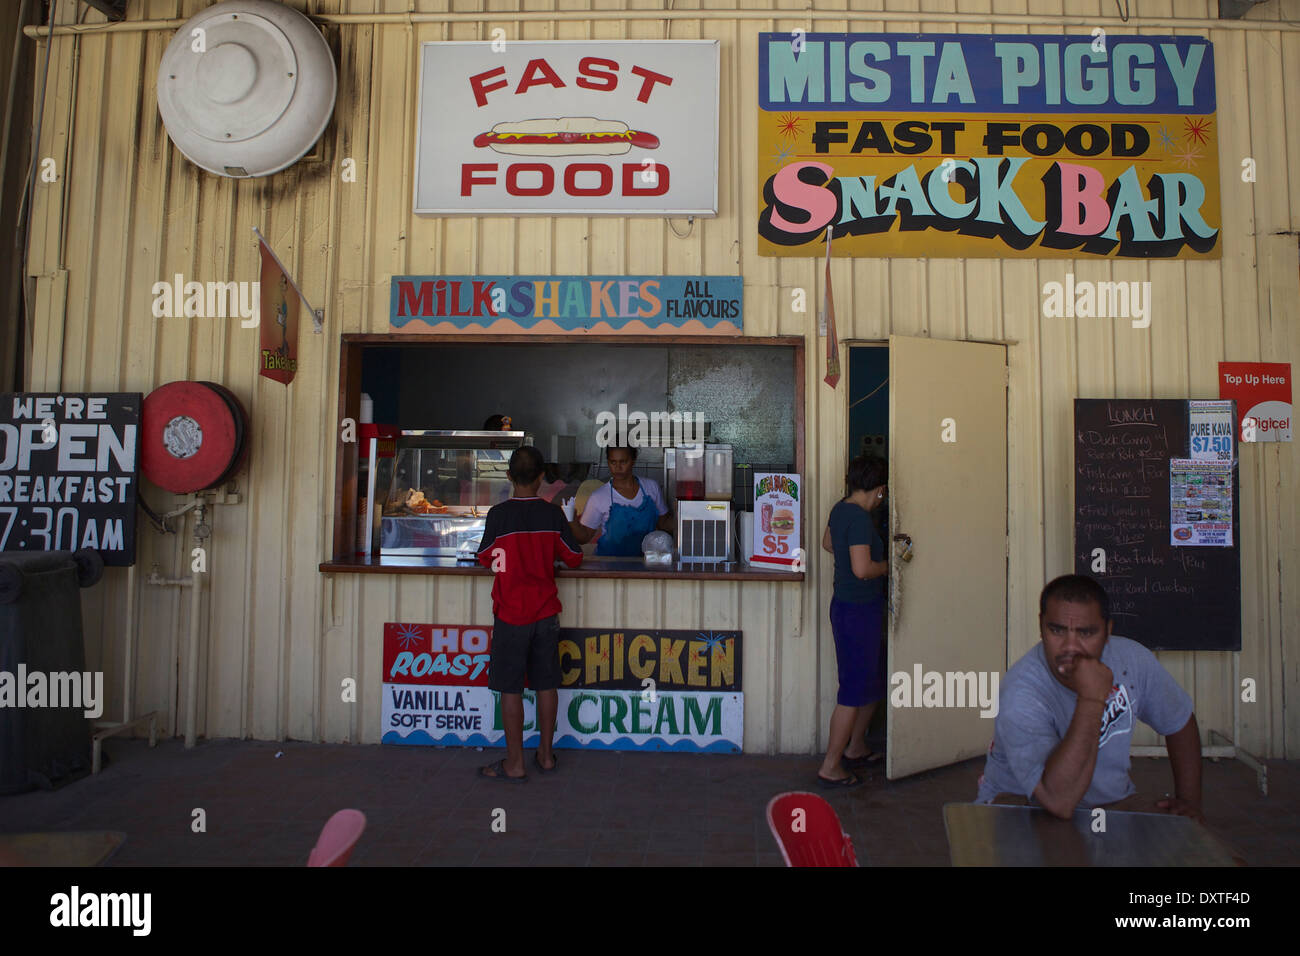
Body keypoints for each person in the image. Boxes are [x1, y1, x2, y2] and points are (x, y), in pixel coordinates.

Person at [977, 574, 1204, 821]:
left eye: (1086, 633)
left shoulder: (1132, 660)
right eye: (1057, 630)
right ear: (1041, 626)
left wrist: (1189, 803)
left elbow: (1179, 721)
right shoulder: (1020, 693)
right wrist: (1092, 698)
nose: (1070, 647)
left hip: (1111, 804)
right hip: (1021, 807)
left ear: (1107, 631)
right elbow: (1058, 801)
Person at [475, 446, 584, 781]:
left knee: (511, 688)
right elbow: (574, 557)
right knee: (546, 683)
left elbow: (486, 558)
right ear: (541, 478)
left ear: (508, 476)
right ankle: (546, 756)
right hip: (545, 614)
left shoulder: (498, 515)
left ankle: (515, 764)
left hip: (510, 615)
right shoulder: (552, 515)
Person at [817, 454, 889, 789]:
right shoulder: (860, 519)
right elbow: (862, 570)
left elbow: (828, 543)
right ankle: (831, 764)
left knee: (870, 681)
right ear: (880, 490)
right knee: (853, 689)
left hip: (851, 608)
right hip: (858, 610)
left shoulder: (839, 508)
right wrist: (889, 565)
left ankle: (856, 747)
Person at [567, 445, 673, 556]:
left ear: (633, 460)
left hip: (646, 564)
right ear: (608, 462)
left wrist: (686, 516)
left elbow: (664, 523)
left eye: (623, 462)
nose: (618, 468)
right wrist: (572, 520)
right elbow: (584, 537)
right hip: (609, 567)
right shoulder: (599, 497)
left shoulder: (651, 488)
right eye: (613, 462)